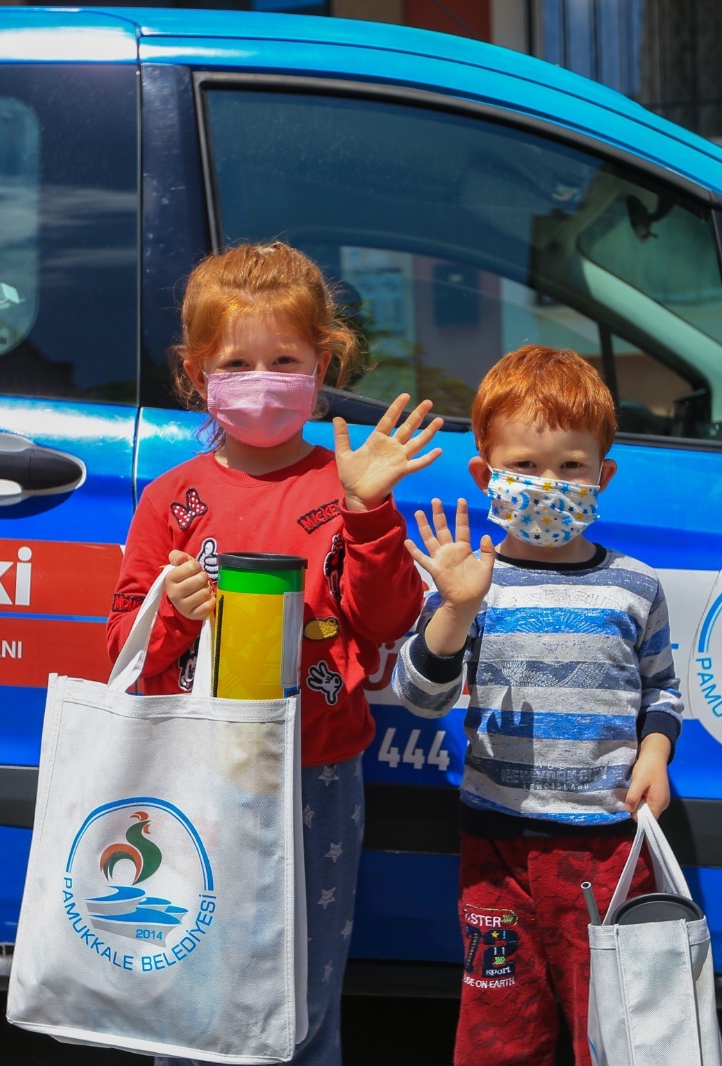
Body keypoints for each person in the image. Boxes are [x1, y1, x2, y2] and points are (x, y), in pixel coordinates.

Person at [104, 241, 439, 1066]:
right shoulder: (172, 496)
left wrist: (368, 513)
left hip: (317, 770)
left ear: (323, 360)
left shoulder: (348, 480)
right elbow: (125, 648)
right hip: (197, 771)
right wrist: (175, 615)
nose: (262, 378)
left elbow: (387, 621)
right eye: (237, 362)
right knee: (191, 966)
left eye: (284, 359)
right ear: (196, 372)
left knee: (303, 976)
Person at [389, 344, 683, 1066]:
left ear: (602, 476)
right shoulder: (474, 582)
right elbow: (420, 696)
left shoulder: (634, 585)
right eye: (524, 467)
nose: (548, 484)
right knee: (499, 1027)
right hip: (499, 850)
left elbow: (662, 689)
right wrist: (455, 610)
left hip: (607, 847)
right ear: (487, 476)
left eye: (571, 467)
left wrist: (655, 752)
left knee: (611, 1024)